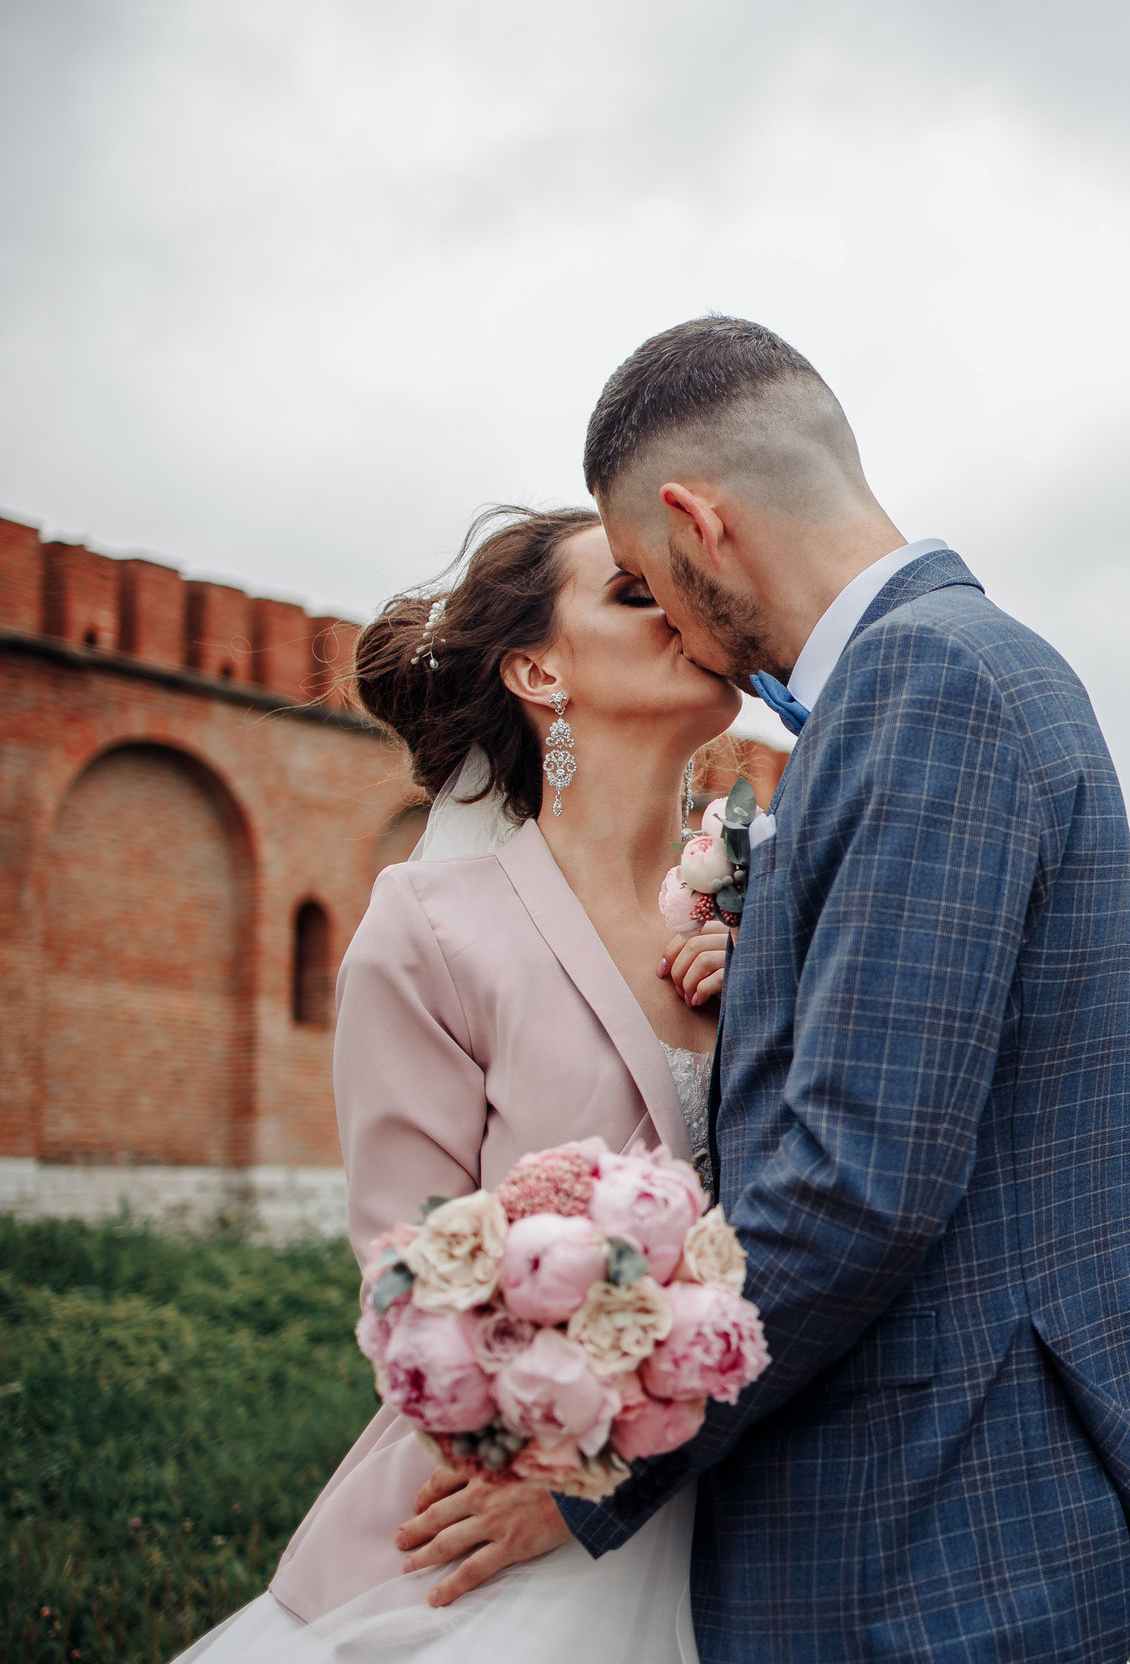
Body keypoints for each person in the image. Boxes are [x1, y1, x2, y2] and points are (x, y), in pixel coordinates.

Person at [407, 316, 1130, 1660]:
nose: (675, 622)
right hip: (943, 1493)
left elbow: (861, 1175)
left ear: (698, 521)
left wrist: (598, 1464)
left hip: (926, 1519)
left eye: (645, 573)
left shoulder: (926, 682)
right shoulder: (948, 669)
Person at [172, 505, 744, 1661]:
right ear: (539, 671)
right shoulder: (431, 930)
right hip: (509, 1509)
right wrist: (582, 1473)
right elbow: (416, 1277)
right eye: (638, 595)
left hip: (762, 1500)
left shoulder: (770, 910)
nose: (688, 611)